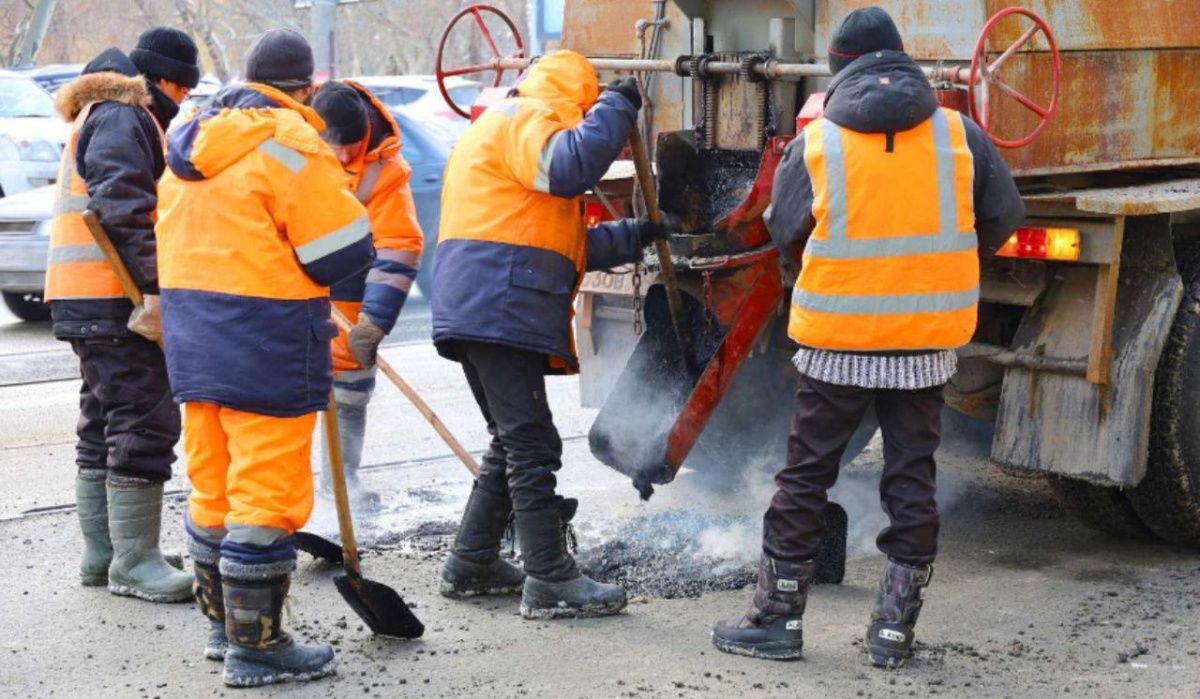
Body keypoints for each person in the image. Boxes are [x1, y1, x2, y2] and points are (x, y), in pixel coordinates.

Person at [710, 6, 1024, 667]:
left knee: (804, 479)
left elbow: (783, 228)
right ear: (902, 59)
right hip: (925, 342)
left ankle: (775, 620)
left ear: (839, 71)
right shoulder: (959, 134)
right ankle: (892, 633)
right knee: (912, 478)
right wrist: (947, 265)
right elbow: (1002, 216)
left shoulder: (819, 141)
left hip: (837, 341)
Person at [156, 29, 374, 687]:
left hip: (194, 337)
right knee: (266, 492)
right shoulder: (290, 145)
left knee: (213, 484)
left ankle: (224, 630)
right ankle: (260, 646)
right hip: (268, 338)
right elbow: (340, 253)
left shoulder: (188, 144)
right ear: (305, 89)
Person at [432, 50, 670, 618]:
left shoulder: (504, 131)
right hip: (498, 301)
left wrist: (639, 233)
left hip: (481, 300)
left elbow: (561, 244)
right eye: (589, 110)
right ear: (577, 99)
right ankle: (549, 578)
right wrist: (617, 105)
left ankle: (472, 562)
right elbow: (571, 166)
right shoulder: (527, 119)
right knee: (532, 444)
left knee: (512, 440)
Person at [44, 27, 200, 603]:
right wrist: (156, 289)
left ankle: (106, 555)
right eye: (181, 88)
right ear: (161, 79)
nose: (181, 100)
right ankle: (135, 563)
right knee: (144, 422)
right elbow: (124, 208)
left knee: (104, 420)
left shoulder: (104, 113)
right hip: (115, 296)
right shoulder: (124, 115)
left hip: (86, 293)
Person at [310, 80, 425, 513]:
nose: (342, 157)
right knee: (282, 399)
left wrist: (374, 320)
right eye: (333, 146)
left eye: (350, 147)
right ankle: (284, 499)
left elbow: (399, 245)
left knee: (351, 393)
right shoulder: (288, 146)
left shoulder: (384, 168)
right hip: (289, 295)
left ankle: (341, 487)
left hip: (350, 305)